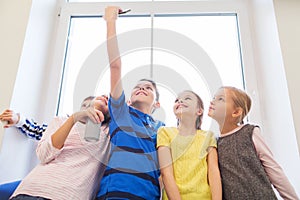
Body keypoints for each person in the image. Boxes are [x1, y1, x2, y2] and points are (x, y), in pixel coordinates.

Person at [96, 6, 165, 199]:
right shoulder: (121, 112)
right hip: (115, 193)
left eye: (148, 88)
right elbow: (115, 66)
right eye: (137, 87)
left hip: (149, 195)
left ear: (157, 104)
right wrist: (111, 21)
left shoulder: (163, 129)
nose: (141, 88)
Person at [9, 95, 111, 200]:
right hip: (29, 191)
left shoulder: (108, 132)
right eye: (84, 105)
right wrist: (73, 118)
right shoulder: (61, 121)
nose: (104, 96)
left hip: (66, 195)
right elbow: (44, 154)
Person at [208, 86, 299, 200]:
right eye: (214, 97)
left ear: (236, 112)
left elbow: (273, 169)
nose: (212, 101)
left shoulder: (249, 132)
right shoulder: (214, 144)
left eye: (220, 99)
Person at [157, 90, 222, 200]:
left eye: (187, 98)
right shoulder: (164, 132)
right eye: (177, 100)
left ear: (199, 111)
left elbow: (213, 172)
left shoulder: (208, 136)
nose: (180, 101)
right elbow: (166, 173)